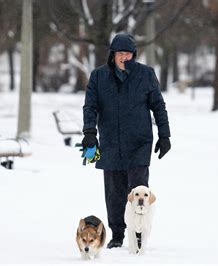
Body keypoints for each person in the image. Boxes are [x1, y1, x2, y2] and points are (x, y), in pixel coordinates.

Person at [82, 33, 171, 249]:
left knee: (139, 190)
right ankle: (118, 233)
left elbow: (158, 105)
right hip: (111, 141)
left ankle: (139, 232)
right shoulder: (98, 76)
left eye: (129, 54)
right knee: (114, 192)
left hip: (139, 141)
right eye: (121, 53)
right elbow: (90, 106)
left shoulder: (146, 75)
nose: (125, 58)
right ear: (113, 55)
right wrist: (89, 132)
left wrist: (164, 134)